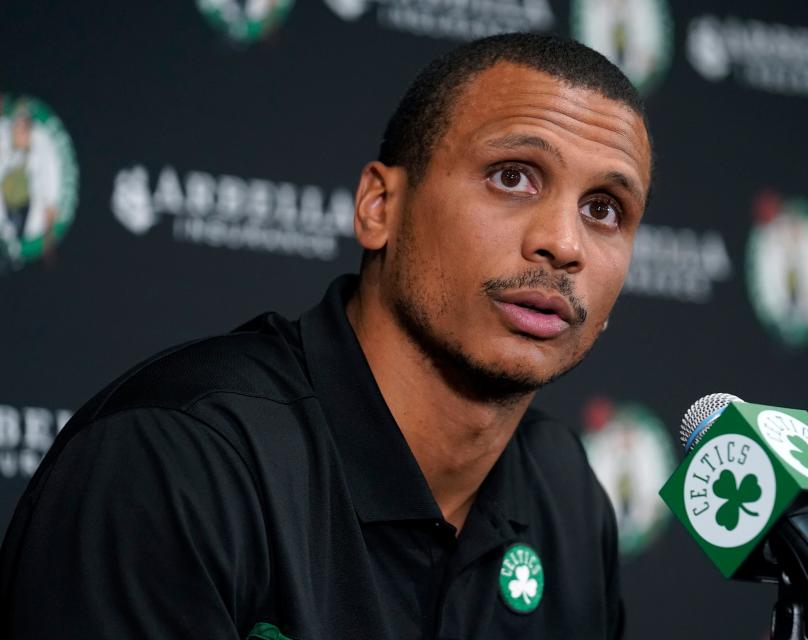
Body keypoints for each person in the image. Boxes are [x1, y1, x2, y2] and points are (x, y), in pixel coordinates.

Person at [0, 32, 652, 639]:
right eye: (512, 176)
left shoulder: (566, 494)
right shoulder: (171, 461)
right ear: (379, 207)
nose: (563, 244)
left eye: (603, 210)